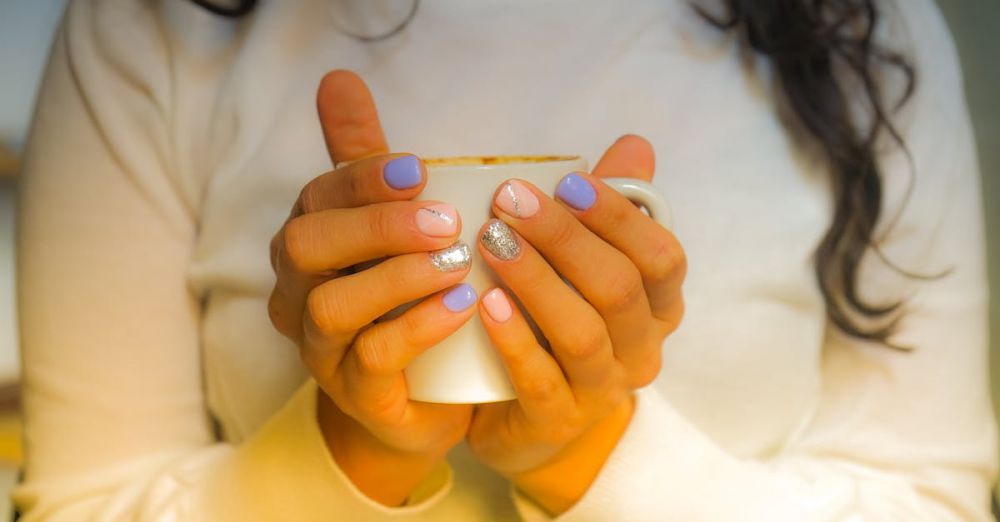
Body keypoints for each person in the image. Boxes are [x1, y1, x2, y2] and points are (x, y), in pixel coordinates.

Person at [13, 0, 996, 520]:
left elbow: (935, 507)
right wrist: (359, 448)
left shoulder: (865, 31)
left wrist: (590, 455)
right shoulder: (148, 26)